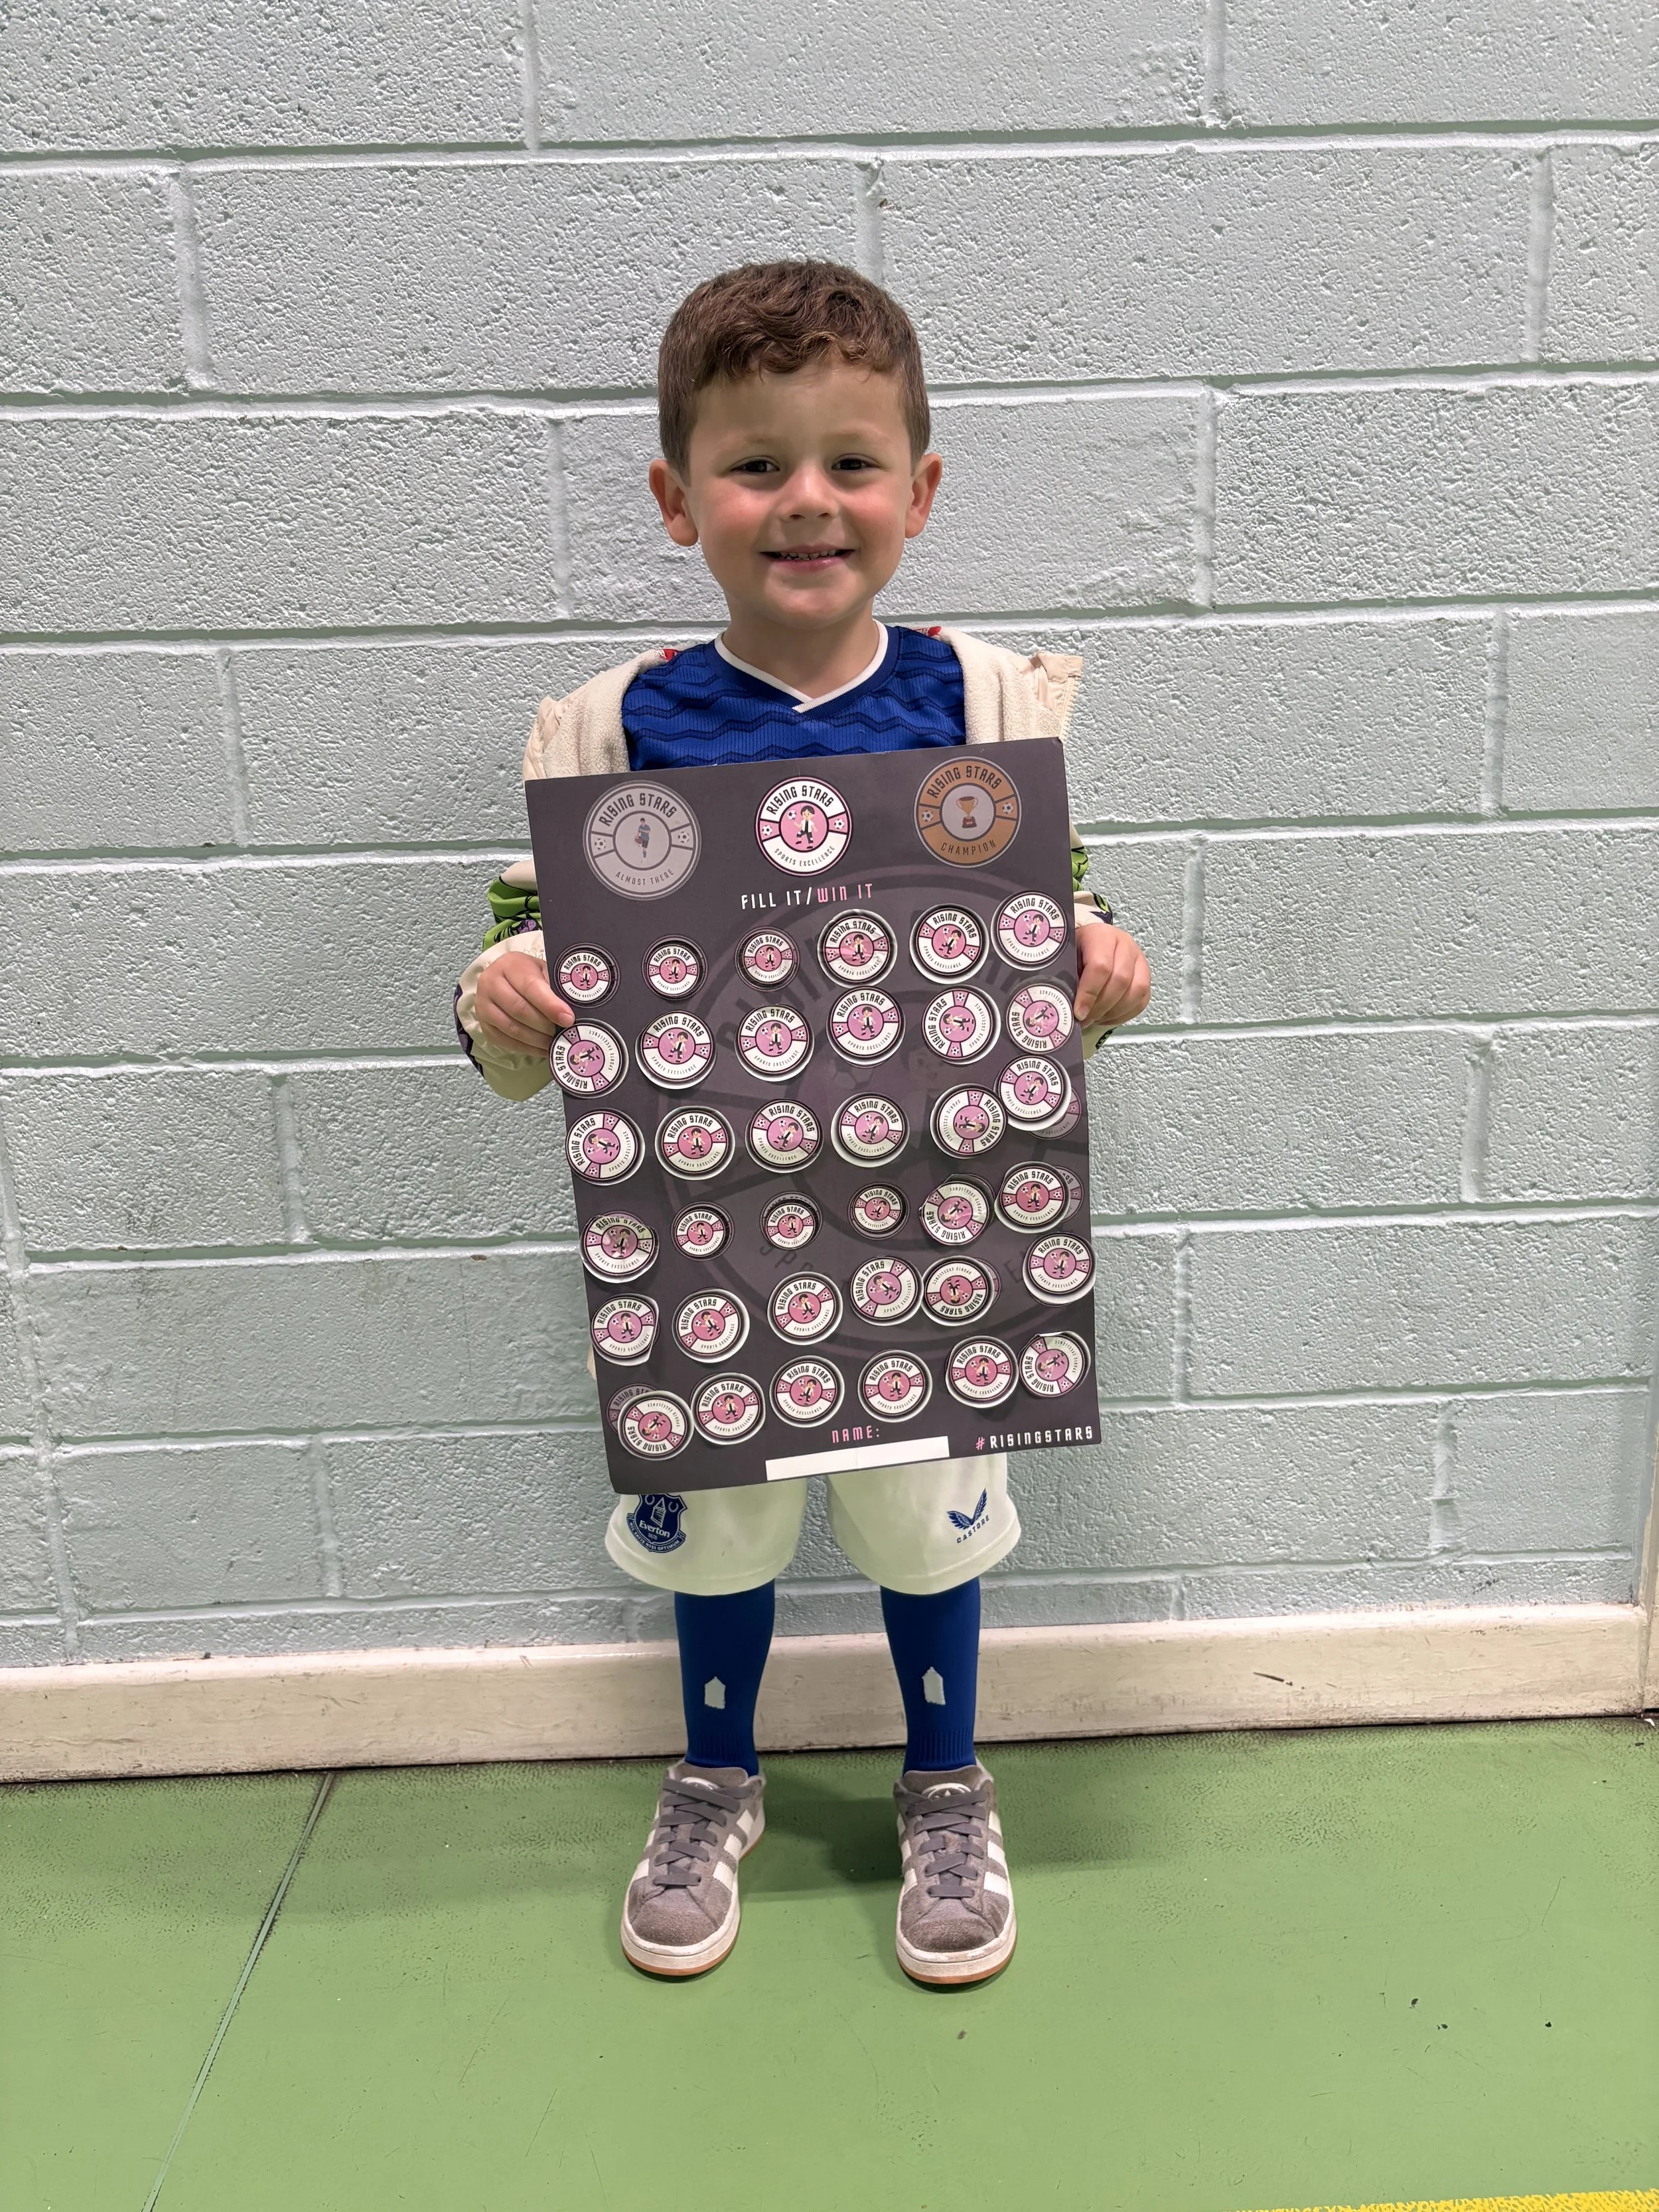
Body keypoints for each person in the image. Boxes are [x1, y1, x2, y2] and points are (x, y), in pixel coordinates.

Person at [453, 261, 1151, 1986]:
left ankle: (940, 1774)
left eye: (849, 461)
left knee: (925, 1513)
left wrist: (1095, 979)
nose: (805, 501)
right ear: (676, 497)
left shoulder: (983, 707)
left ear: (917, 491)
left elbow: (1039, 954)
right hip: (712, 1224)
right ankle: (715, 1772)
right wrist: (501, 1010)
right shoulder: (615, 729)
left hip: (935, 1227)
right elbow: (528, 998)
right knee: (727, 1513)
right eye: (756, 464)